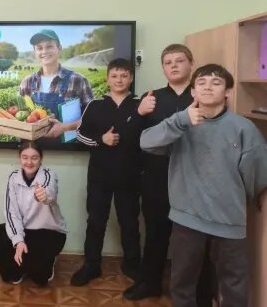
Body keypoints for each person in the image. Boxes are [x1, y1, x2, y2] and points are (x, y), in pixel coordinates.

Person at [140, 64, 267, 307]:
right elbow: (146, 142)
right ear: (193, 92)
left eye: (216, 83)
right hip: (187, 219)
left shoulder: (243, 128)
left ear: (227, 91)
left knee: (234, 286)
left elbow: (257, 174)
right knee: (182, 284)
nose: (208, 87)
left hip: (229, 222)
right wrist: (181, 120)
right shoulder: (180, 124)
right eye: (201, 83)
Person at [124, 44, 213, 304]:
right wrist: (139, 112)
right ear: (163, 68)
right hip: (156, 177)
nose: (173, 65)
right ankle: (150, 283)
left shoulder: (203, 96)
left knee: (196, 237)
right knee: (155, 233)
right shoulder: (151, 98)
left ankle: (199, 291)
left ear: (191, 64)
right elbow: (134, 138)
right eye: (168, 62)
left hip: (194, 178)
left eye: (179, 60)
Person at [71, 58, 142, 286]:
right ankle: (91, 265)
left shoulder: (140, 106)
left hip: (130, 176)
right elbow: (80, 135)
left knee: (130, 222)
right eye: (114, 76)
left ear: (131, 78)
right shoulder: (95, 105)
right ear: (107, 79)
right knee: (95, 222)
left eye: (124, 75)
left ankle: (132, 264)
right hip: (100, 177)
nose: (119, 80)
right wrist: (101, 139)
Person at [0, 141, 67, 286]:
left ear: (41, 159)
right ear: (20, 158)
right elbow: (11, 212)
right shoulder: (13, 177)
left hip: (49, 233)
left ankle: (45, 262)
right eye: (25, 157)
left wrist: (44, 196)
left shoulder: (49, 174)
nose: (29, 162)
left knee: (40, 280)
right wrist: (18, 240)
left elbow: (50, 192)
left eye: (34, 158)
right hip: (25, 231)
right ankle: (19, 268)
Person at [19, 29, 93, 139]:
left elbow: (92, 118)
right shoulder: (27, 82)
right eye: (39, 48)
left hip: (68, 147)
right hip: (34, 147)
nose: (44, 51)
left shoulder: (78, 80)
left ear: (59, 48)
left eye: (49, 46)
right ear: (35, 52)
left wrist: (65, 127)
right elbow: (19, 117)